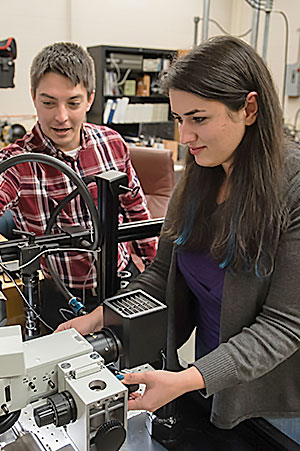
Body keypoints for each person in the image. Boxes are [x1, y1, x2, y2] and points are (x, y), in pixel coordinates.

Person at [55, 36, 300, 444]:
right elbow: (162, 274)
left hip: (269, 402)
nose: (185, 135)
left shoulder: (292, 188)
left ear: (249, 109)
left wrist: (187, 379)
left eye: (198, 119)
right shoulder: (201, 175)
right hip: (203, 379)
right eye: (179, 118)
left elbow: (284, 326)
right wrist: (97, 318)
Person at [0, 42, 157, 330]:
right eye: (48, 103)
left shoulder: (112, 144)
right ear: (33, 97)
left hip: (121, 282)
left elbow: (136, 209)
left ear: (90, 99)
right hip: (60, 296)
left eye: (73, 103)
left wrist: (157, 271)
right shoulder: (17, 162)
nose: (61, 117)